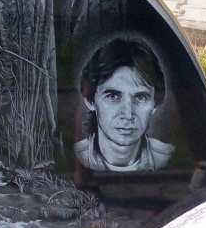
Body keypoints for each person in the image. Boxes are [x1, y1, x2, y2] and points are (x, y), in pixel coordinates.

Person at [74, 38, 175, 172]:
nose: (128, 114)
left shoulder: (169, 159)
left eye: (140, 97)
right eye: (113, 96)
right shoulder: (71, 158)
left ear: (155, 104)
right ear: (90, 101)